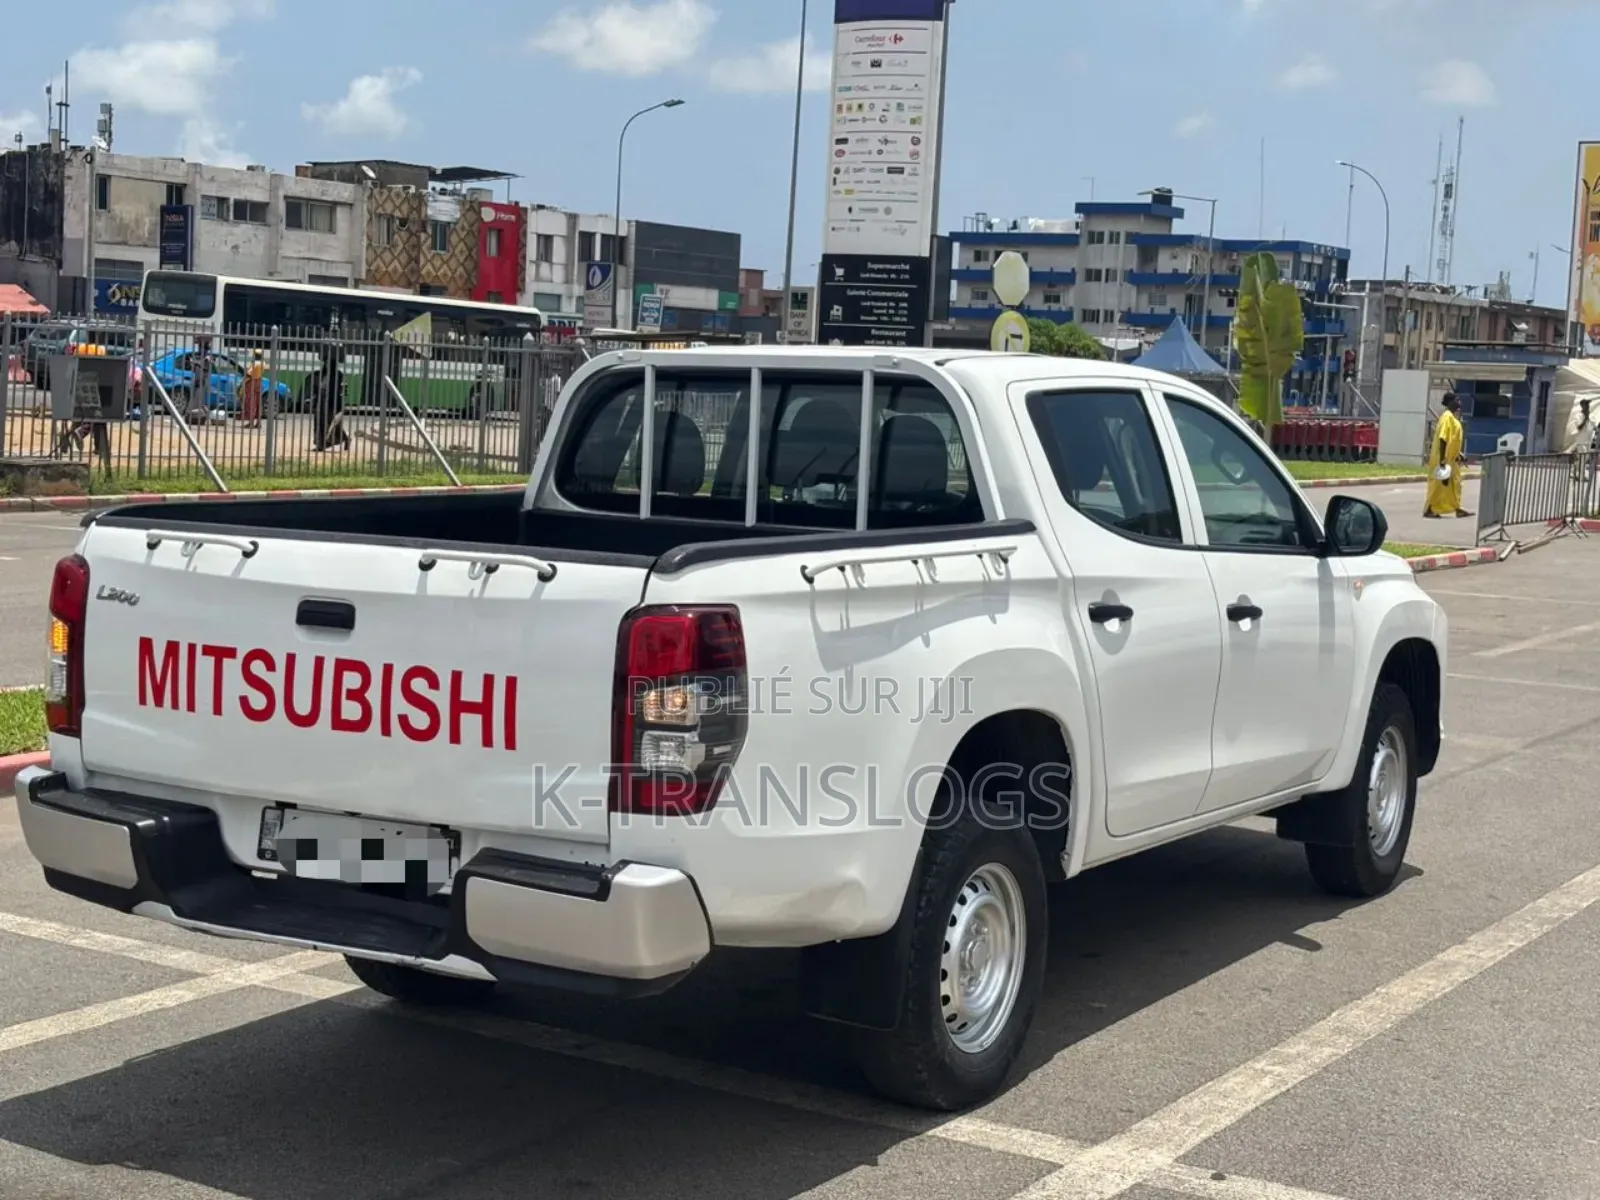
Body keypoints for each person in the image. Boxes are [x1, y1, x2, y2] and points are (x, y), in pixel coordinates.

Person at [1424, 393, 1471, 519]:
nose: (1459, 403)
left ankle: (1457, 508)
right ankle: (1429, 509)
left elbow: (1452, 439)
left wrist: (1459, 453)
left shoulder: (1452, 417)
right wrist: (1442, 461)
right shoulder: (1446, 417)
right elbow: (1443, 439)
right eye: (1457, 400)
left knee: (1455, 484)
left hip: (1452, 459)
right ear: (1450, 402)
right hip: (1443, 458)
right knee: (1438, 485)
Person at [241, 348, 265, 427]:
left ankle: (251, 422)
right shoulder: (263, 363)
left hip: (252, 383)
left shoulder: (255, 363)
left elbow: (249, 374)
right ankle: (258, 422)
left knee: (251, 403)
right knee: (258, 403)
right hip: (259, 382)